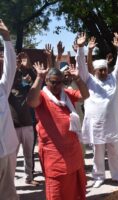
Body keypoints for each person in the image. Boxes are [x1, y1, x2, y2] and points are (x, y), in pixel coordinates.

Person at [26, 62, 89, 199]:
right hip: (54, 155)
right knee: (57, 191)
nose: (56, 86)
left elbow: (85, 95)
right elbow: (31, 101)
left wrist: (78, 79)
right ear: (47, 81)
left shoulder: (66, 93)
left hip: (73, 151)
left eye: (60, 82)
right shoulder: (42, 95)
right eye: (53, 82)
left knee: (75, 189)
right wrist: (39, 77)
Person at [76, 33, 118, 188]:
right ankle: (99, 177)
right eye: (100, 70)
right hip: (96, 125)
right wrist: (80, 48)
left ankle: (117, 175)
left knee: (115, 151)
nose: (104, 72)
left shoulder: (113, 78)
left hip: (112, 124)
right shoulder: (89, 80)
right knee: (97, 153)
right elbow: (81, 66)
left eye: (105, 69)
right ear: (95, 71)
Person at [8, 53, 39, 186]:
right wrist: (14, 68)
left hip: (27, 124)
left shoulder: (25, 82)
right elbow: (9, 78)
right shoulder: (6, 85)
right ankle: (9, 182)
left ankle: (29, 177)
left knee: (28, 155)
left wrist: (27, 67)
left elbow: (36, 81)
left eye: (19, 61)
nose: (18, 63)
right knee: (12, 157)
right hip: (13, 126)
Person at [0, 19, 19, 200]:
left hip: (7, 152)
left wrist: (6, 38)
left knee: (8, 194)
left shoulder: (1, 88)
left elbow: (10, 68)